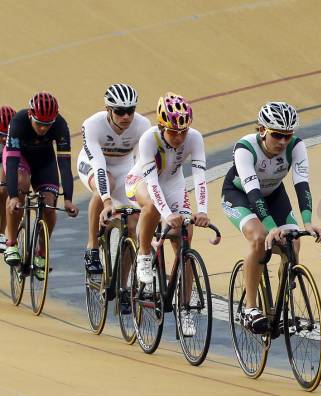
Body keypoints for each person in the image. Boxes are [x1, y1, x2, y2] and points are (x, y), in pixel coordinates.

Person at [221, 101, 321, 332]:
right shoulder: (245, 148)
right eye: (277, 135)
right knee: (260, 238)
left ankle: (279, 306)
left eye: (287, 136)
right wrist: (271, 227)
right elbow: (253, 193)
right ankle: (250, 309)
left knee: (294, 241)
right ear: (262, 130)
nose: (282, 142)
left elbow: (302, 185)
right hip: (240, 195)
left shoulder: (296, 146)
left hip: (274, 194)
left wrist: (308, 222)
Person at [125, 92, 210, 336]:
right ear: (162, 127)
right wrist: (165, 214)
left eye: (183, 131)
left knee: (185, 245)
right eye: (173, 132)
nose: (180, 137)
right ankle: (143, 255)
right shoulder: (148, 139)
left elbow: (200, 178)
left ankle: (184, 310)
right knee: (151, 206)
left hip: (174, 184)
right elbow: (151, 183)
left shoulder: (195, 138)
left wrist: (202, 210)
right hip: (141, 181)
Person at [3, 92, 79, 274]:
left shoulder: (60, 125)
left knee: (49, 205)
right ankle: (11, 242)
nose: (44, 129)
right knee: (21, 183)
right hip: (19, 158)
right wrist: (13, 196)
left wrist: (68, 199)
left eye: (48, 125)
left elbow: (64, 165)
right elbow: (12, 163)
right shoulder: (18, 121)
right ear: (31, 115)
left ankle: (41, 254)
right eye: (39, 124)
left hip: (44, 161)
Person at [78, 83, 150, 275]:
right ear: (108, 109)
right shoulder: (92, 125)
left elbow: (142, 164)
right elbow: (99, 166)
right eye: (120, 111)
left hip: (124, 167)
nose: (126, 116)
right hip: (93, 164)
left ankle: (124, 288)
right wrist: (107, 201)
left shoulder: (143, 125)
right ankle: (92, 247)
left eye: (130, 110)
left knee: (133, 225)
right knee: (105, 184)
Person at [0, 105, 16, 251]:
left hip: (9, 158)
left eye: (7, 134)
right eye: (1, 135)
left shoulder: (16, 136)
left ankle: (1, 232)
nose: (5, 138)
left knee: (4, 189)